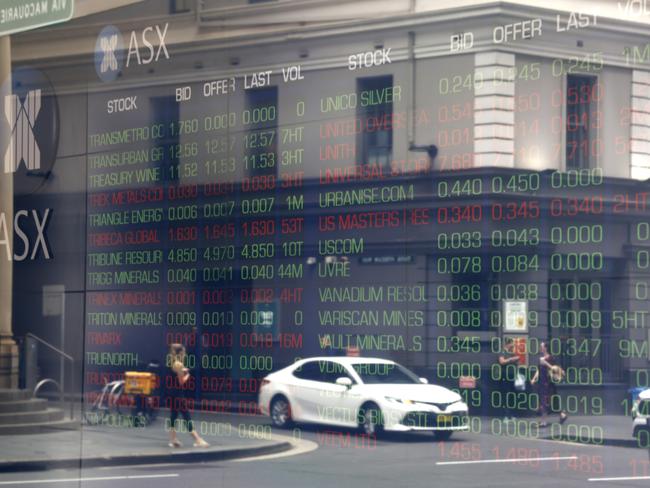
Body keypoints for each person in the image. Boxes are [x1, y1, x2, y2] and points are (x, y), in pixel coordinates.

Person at [167, 343, 209, 448]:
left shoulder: (171, 362)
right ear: (180, 353)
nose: (185, 354)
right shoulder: (179, 365)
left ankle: (173, 440)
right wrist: (188, 375)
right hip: (178, 394)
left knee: (173, 416)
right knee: (187, 417)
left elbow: (175, 373)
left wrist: (183, 371)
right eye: (184, 352)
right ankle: (198, 440)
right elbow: (181, 382)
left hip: (171, 394)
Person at [530, 340, 567, 428]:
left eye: (542, 346)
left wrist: (545, 363)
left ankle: (544, 422)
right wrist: (534, 378)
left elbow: (555, 369)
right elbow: (539, 370)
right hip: (541, 382)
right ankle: (562, 415)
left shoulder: (550, 358)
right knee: (551, 402)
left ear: (546, 348)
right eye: (541, 346)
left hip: (548, 383)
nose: (540, 348)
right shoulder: (541, 358)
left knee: (544, 402)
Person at [497, 337, 520, 422]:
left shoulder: (512, 353)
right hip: (505, 377)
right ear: (508, 344)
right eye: (512, 343)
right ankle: (506, 416)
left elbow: (517, 363)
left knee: (511, 396)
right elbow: (501, 361)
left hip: (512, 377)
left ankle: (511, 415)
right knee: (505, 396)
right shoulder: (502, 352)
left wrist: (516, 360)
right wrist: (511, 359)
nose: (513, 345)